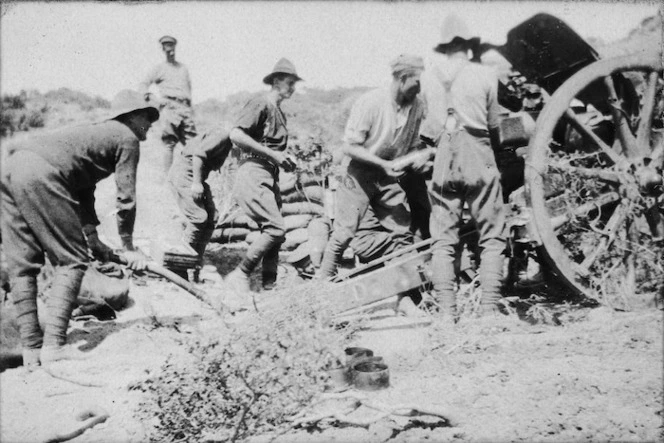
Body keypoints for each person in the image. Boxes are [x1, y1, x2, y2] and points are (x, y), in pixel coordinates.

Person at [0, 90, 157, 369]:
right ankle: (55, 347)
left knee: (22, 266)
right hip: (42, 172)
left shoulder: (94, 135)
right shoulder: (127, 137)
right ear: (131, 116)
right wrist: (128, 247)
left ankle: (31, 351)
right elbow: (126, 200)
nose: (151, 124)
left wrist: (93, 237)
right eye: (148, 117)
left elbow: (84, 190)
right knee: (72, 261)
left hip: (11, 168)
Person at [421, 14, 507, 323]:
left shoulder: (427, 77)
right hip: (477, 150)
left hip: (443, 154)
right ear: (468, 46)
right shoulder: (486, 74)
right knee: (492, 235)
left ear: (444, 48)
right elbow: (495, 125)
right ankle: (489, 311)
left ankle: (446, 314)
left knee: (443, 239)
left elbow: (427, 128)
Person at [318, 54, 428, 279]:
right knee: (344, 232)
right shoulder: (371, 102)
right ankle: (321, 285)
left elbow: (415, 144)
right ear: (403, 78)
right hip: (359, 173)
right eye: (417, 81)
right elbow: (350, 147)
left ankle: (407, 295)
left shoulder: (417, 106)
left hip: (389, 176)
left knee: (401, 232)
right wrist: (382, 163)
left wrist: (420, 157)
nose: (420, 87)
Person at [223, 58, 301, 302]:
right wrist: (274, 155)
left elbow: (273, 148)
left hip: (269, 174)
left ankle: (270, 285)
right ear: (276, 81)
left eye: (294, 83)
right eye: (289, 82)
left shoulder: (279, 113)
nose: (293, 88)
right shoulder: (261, 103)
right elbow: (236, 134)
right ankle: (240, 274)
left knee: (276, 235)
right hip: (253, 171)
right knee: (275, 228)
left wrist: (283, 159)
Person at [168, 124, 234, 277]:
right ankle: (179, 266)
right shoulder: (223, 134)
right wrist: (197, 183)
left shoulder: (229, 140)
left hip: (196, 175)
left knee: (211, 217)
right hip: (185, 174)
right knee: (198, 217)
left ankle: (196, 261)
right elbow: (199, 155)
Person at [138, 35, 197, 176]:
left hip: (185, 109)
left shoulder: (183, 68)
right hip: (170, 108)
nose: (170, 50)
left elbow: (189, 89)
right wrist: (152, 99)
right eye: (166, 47)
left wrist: (190, 108)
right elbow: (143, 84)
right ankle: (169, 178)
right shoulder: (159, 68)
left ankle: (194, 177)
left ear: (175, 47)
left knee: (193, 145)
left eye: (172, 46)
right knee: (169, 143)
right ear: (163, 49)